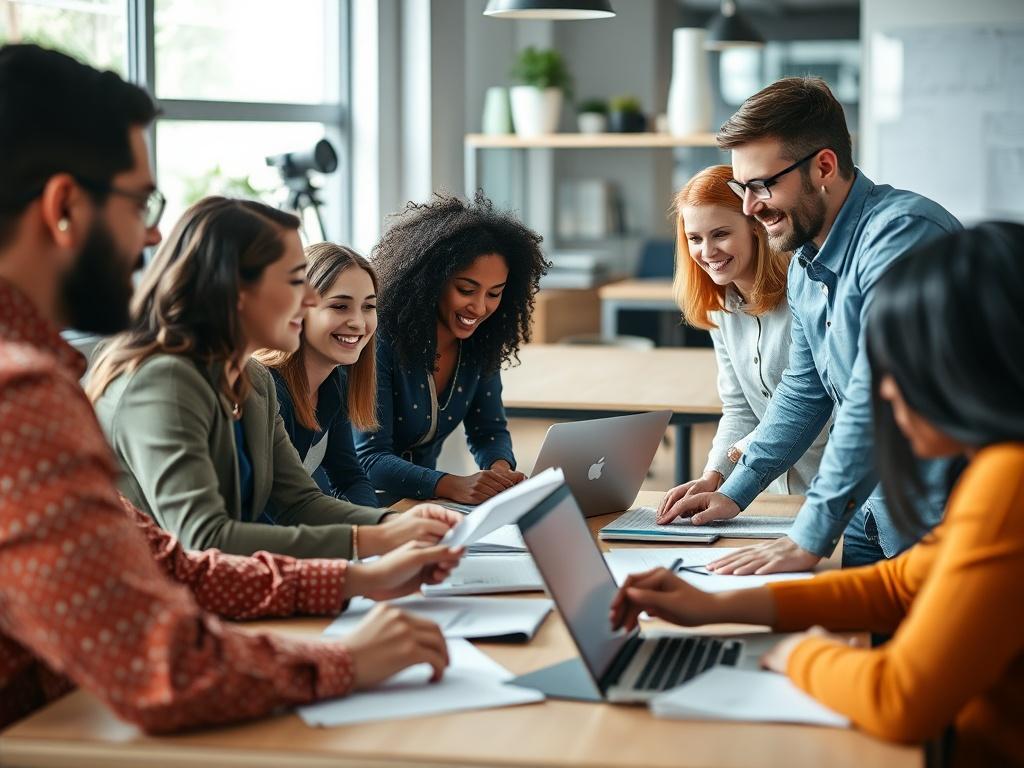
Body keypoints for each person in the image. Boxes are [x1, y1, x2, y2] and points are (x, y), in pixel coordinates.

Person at [0, 43, 459, 734]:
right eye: (140, 201)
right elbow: (163, 669)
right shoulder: (23, 399)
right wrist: (344, 660)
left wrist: (352, 576)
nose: (154, 231)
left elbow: (169, 563)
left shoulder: (45, 383)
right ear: (64, 207)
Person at [613, 222, 1024, 767]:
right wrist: (715, 605)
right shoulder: (992, 468)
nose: (882, 390)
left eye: (899, 363)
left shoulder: (1009, 480)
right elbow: (902, 583)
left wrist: (796, 652)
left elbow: (900, 699)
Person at [658, 77, 961, 572]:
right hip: (871, 512)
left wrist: (809, 538)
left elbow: (875, 399)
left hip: (942, 519)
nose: (751, 208)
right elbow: (803, 393)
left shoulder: (903, 235)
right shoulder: (805, 265)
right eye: (742, 188)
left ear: (823, 166)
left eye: (762, 185)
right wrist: (733, 492)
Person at [88, 195, 460, 560]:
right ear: (235, 289)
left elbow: (300, 503)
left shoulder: (253, 380)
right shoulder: (165, 380)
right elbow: (203, 537)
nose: (311, 300)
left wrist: (394, 525)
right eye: (296, 280)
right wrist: (374, 547)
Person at [355, 193, 548, 505]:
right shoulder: (379, 341)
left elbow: (488, 431)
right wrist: (452, 485)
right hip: (360, 507)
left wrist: (500, 471)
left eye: (494, 293)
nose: (480, 306)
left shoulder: (480, 344)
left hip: (421, 505)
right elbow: (370, 458)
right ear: (432, 280)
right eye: (466, 290)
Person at [662, 164, 827, 505]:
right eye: (695, 238)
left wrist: (739, 456)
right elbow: (740, 408)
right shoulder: (720, 308)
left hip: (832, 493)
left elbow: (818, 404)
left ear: (755, 226)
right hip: (771, 497)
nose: (707, 253)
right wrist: (714, 475)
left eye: (720, 234)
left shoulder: (807, 292)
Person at [256, 242, 379, 508]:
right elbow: (269, 508)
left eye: (368, 307)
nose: (359, 322)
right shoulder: (267, 391)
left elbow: (350, 479)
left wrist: (380, 526)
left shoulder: (334, 384)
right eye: (340, 306)